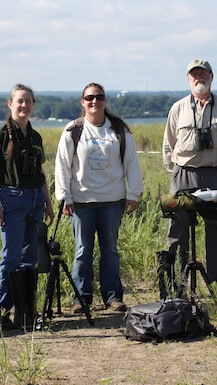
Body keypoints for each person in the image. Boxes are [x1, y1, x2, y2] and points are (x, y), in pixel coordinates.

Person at [55, 83, 143, 313]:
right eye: (90, 98)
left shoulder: (119, 130)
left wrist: (133, 194)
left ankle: (113, 297)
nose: (95, 101)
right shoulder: (73, 130)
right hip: (81, 203)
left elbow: (132, 163)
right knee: (83, 251)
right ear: (83, 102)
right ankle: (81, 298)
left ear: (105, 101)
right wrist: (65, 197)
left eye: (99, 97)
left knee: (110, 250)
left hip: (112, 202)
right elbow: (62, 166)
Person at [0, 83, 54, 330]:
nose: (24, 105)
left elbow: (41, 172)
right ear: (10, 104)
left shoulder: (34, 136)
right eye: (20, 101)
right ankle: (2, 311)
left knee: (30, 257)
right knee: (10, 256)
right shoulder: (0, 135)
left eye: (28, 101)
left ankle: (25, 311)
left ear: (33, 104)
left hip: (35, 199)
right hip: (12, 199)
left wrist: (48, 202)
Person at [162, 59, 217, 284]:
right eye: (194, 75)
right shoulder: (178, 108)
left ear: (212, 76)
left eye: (203, 74)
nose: (199, 78)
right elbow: (168, 144)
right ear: (188, 79)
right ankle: (178, 284)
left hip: (214, 175)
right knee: (178, 230)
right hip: (184, 175)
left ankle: (216, 284)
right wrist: (177, 172)